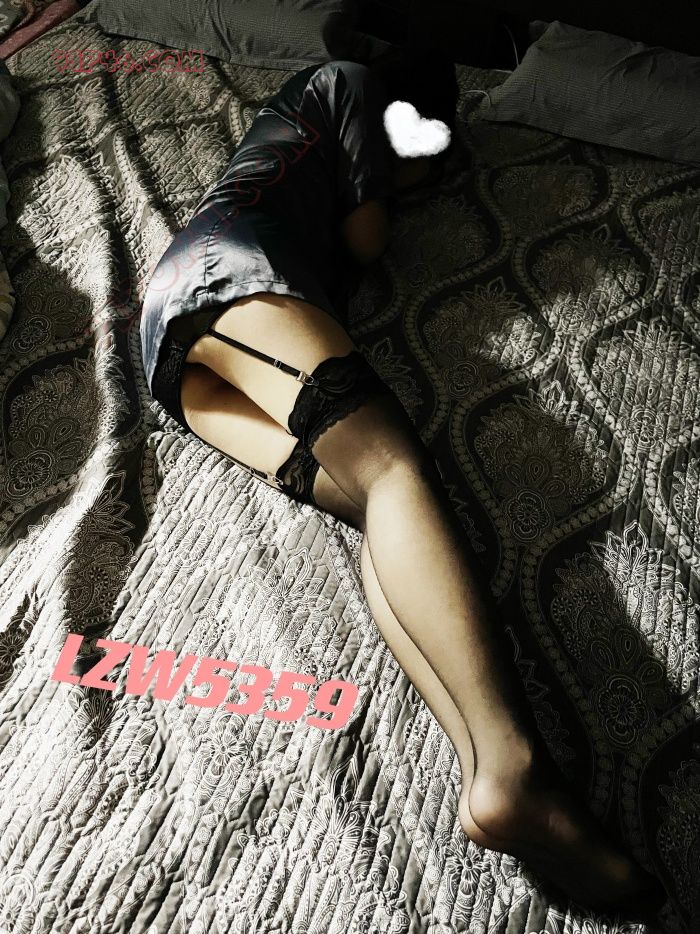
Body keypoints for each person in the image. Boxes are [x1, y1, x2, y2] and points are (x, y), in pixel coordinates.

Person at [139, 46, 665, 917]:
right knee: (394, 470)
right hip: (224, 275)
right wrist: (396, 171)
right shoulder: (344, 80)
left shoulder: (311, 124)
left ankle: (487, 776)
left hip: (180, 360)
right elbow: (366, 238)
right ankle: (514, 764)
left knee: (381, 513)